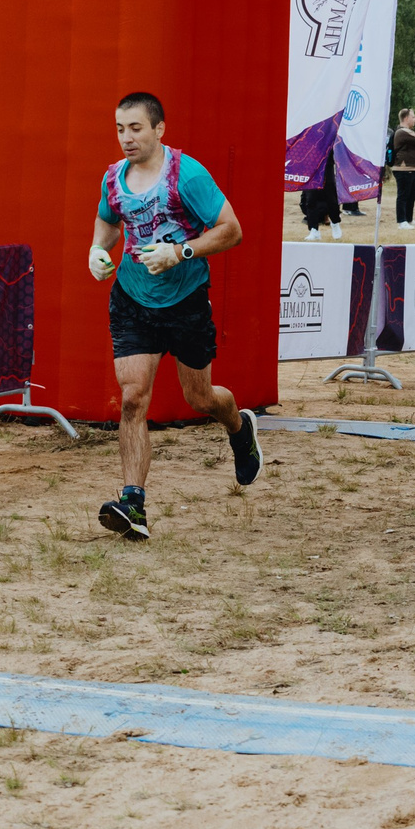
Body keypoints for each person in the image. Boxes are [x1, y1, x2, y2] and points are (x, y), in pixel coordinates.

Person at [88, 91, 260, 541]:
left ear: (159, 129)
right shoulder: (113, 178)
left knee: (199, 397)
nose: (126, 138)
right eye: (120, 129)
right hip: (132, 299)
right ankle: (133, 505)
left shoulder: (186, 173)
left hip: (184, 302)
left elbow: (232, 231)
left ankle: (239, 427)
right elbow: (108, 221)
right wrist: (97, 251)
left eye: (136, 128)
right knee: (132, 398)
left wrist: (179, 251)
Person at [389, 108, 415, 229]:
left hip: (411, 168)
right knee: (403, 195)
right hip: (403, 169)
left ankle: (409, 219)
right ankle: (401, 221)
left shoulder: (408, 132)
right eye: (413, 117)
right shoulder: (402, 132)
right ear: (406, 118)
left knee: (411, 195)